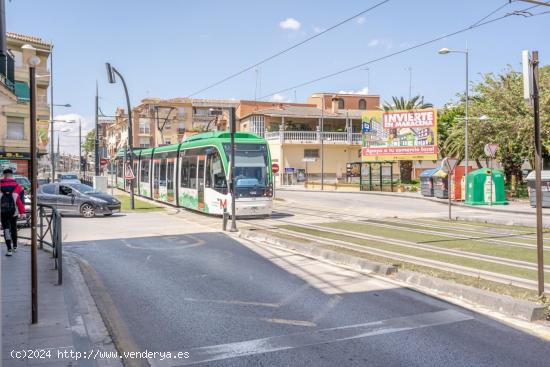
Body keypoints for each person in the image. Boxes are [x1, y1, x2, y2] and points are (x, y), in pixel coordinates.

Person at [0, 169, 26, 256]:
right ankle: (15, 246)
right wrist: (22, 212)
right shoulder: (18, 186)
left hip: (2, 212)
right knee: (14, 227)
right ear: (12, 176)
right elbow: (20, 202)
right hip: (14, 212)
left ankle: (9, 249)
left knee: (6, 229)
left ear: (4, 175)